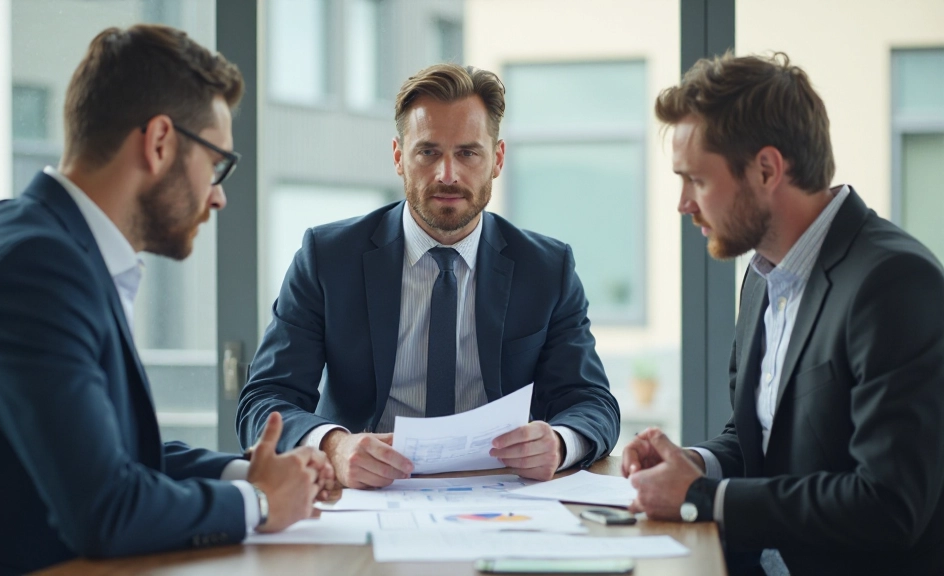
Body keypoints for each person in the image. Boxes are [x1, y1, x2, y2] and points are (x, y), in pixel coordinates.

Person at [0, 24, 333, 576]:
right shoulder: (35, 269)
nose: (219, 195)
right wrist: (259, 503)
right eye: (216, 164)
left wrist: (257, 473)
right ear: (160, 142)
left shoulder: (52, 246)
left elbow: (116, 459)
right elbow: (106, 508)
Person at [622, 52, 944, 576]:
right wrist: (692, 465)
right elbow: (763, 439)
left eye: (696, 180)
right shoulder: (763, 273)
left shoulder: (894, 283)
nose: (684, 204)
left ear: (767, 169)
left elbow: (889, 504)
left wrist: (705, 498)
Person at [236, 63, 620, 489]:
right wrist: (334, 447)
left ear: (498, 159)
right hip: (365, 494)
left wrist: (561, 443)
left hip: (504, 496)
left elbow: (591, 402)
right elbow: (264, 401)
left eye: (468, 153)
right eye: (428, 152)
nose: (448, 175)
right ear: (400, 157)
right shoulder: (327, 258)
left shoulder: (547, 268)